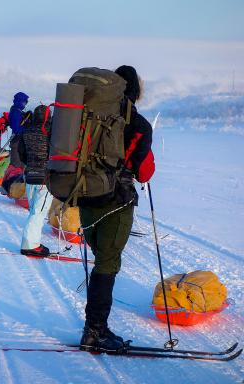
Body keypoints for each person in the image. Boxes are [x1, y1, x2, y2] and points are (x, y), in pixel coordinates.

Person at [79, 65, 155, 351]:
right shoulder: (138, 124)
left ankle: (96, 327)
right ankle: (94, 331)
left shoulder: (86, 117)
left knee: (101, 262)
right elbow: (143, 172)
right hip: (115, 203)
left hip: (84, 199)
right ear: (135, 89)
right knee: (107, 265)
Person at [18, 105, 53, 256]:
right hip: (43, 177)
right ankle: (29, 245)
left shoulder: (27, 130)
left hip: (30, 175)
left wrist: (30, 164)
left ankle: (33, 241)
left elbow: (21, 152)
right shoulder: (51, 132)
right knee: (38, 212)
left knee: (34, 210)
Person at [8, 92, 31, 168]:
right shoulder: (15, 112)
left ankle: (18, 178)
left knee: (21, 164)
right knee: (16, 164)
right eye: (25, 101)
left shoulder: (18, 111)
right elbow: (16, 128)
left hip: (19, 141)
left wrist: (27, 117)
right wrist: (27, 128)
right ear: (20, 101)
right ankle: (13, 179)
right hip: (16, 141)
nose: (26, 103)